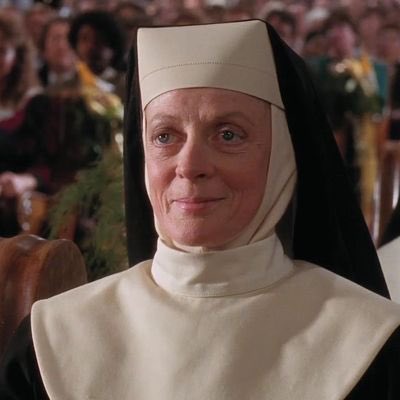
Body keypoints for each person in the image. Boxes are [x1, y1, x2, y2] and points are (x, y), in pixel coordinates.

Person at [2, 19, 400, 399]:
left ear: (284, 157)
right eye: (165, 136)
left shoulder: (370, 342)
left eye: (228, 134)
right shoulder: (52, 339)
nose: (190, 165)